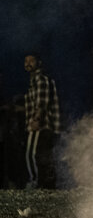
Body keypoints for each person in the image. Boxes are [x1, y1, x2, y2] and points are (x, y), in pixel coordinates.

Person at [23, 54, 60, 189]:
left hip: (41, 125)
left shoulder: (40, 79)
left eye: (31, 60)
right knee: (43, 156)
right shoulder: (34, 81)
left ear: (39, 62)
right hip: (43, 126)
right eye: (26, 61)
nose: (28, 63)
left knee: (32, 154)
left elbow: (41, 103)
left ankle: (35, 182)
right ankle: (45, 185)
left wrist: (36, 120)